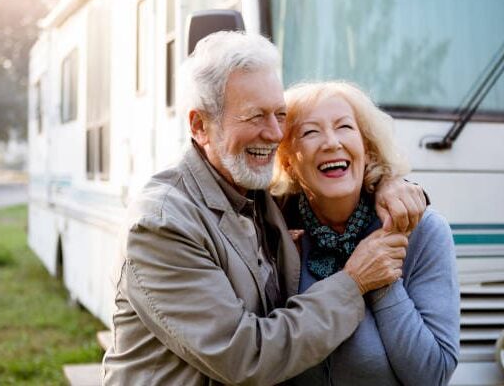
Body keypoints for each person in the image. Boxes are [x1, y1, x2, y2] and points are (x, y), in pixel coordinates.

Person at [102, 31, 426, 385]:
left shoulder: (254, 192)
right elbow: (246, 357)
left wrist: (389, 185)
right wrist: (354, 282)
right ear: (199, 126)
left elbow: (332, 184)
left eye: (280, 114)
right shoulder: (162, 225)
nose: (274, 134)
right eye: (255, 116)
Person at [271, 81, 460, 385]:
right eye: (310, 132)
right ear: (288, 161)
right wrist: (357, 275)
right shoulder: (272, 229)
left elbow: (432, 375)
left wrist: (382, 279)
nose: (331, 142)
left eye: (344, 127)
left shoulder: (423, 231)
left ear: (367, 149)